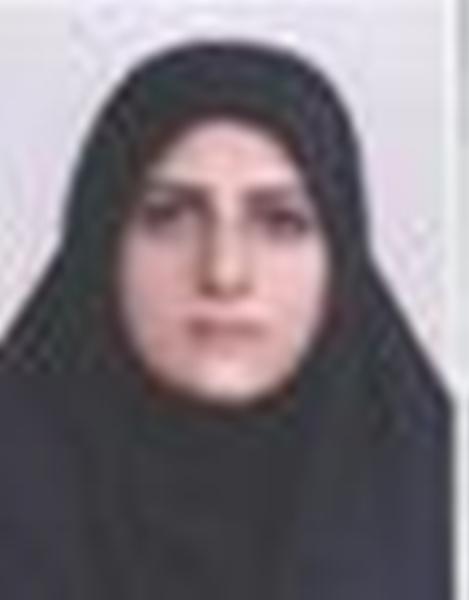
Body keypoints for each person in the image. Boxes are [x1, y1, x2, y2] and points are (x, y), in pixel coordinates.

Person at [0, 40, 451, 600]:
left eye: (280, 222)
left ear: (341, 255)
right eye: (169, 217)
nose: (224, 273)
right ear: (101, 243)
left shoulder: (436, 498)